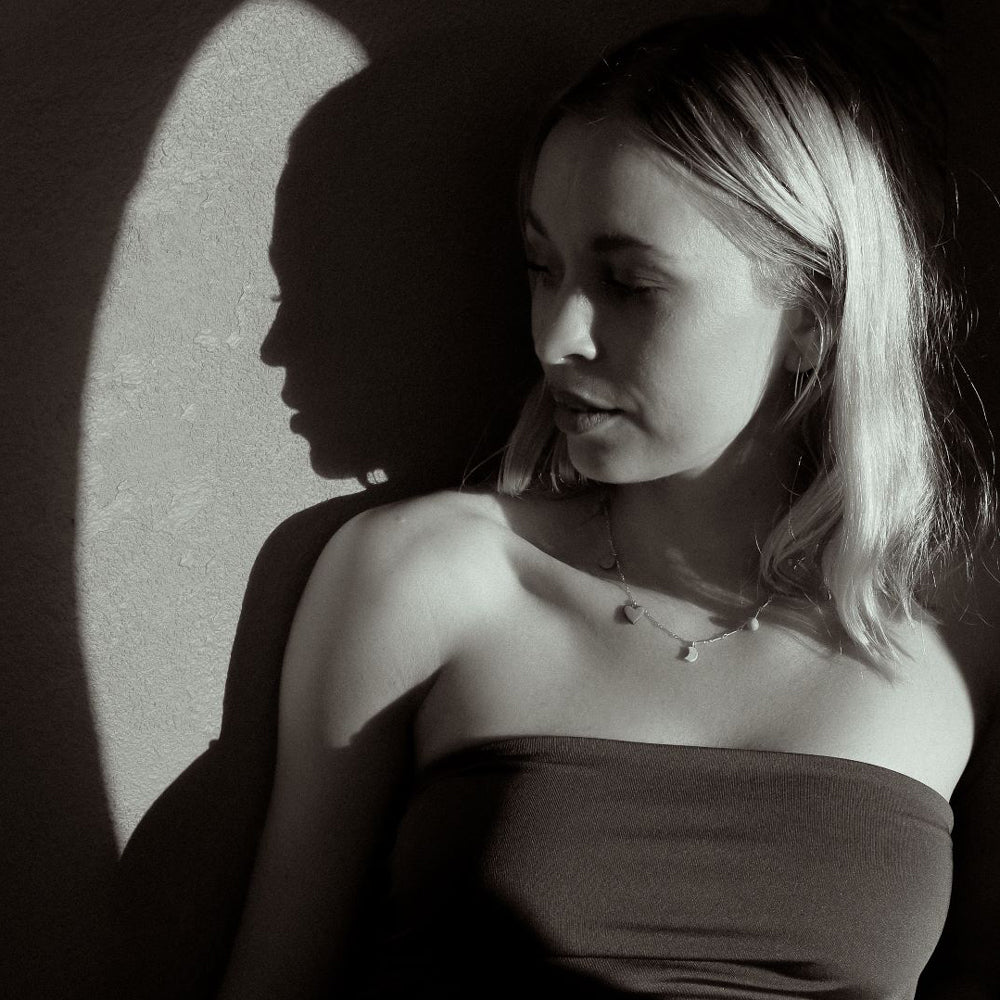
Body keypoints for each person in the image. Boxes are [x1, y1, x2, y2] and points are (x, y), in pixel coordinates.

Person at [218, 10, 1000, 999]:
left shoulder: (964, 612)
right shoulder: (433, 576)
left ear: (813, 318)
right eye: (541, 268)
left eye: (628, 284)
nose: (556, 336)